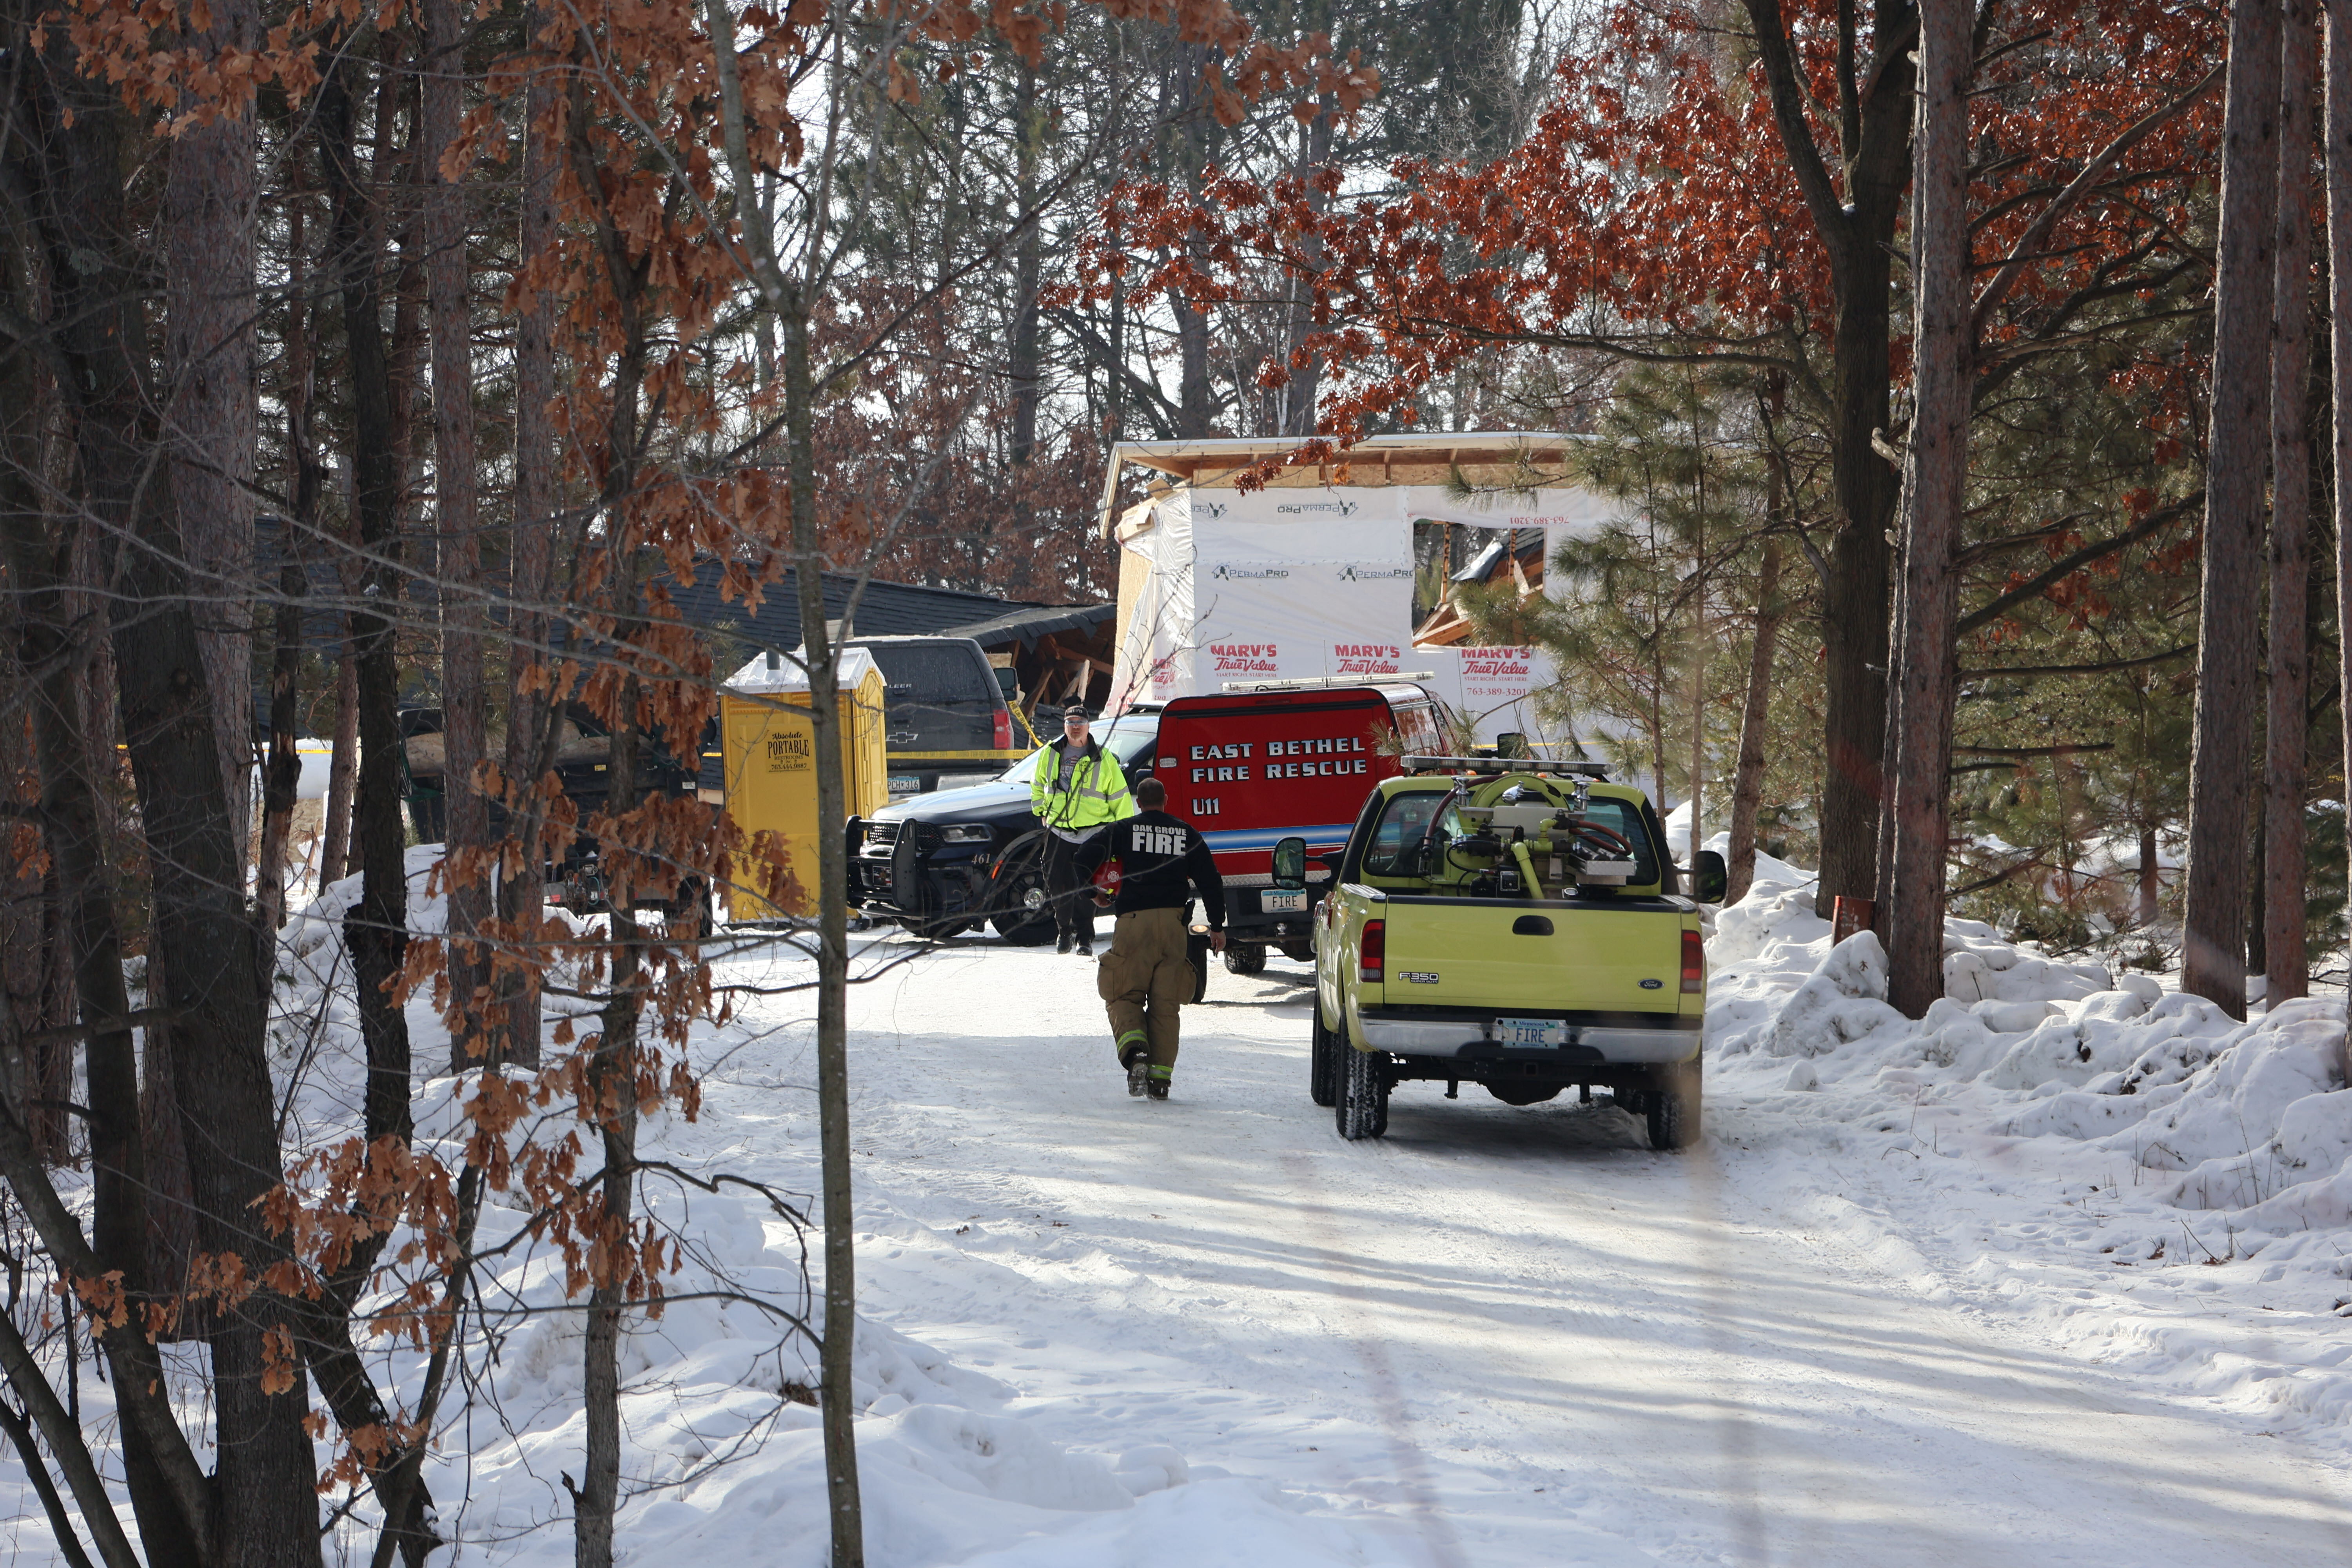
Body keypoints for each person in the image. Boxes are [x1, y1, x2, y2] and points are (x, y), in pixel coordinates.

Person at [1074, 776, 1225, 1100]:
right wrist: (1217, 925)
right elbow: (1211, 881)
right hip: (1173, 928)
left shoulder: (1123, 829)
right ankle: (1160, 1080)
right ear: (1166, 800)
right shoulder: (1186, 833)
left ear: (1139, 803)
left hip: (1133, 924)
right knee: (1166, 1005)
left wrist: (1094, 895)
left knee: (1123, 994)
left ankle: (1136, 1052)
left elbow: (1081, 860)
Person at [1028, 704, 1134, 956]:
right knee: (1057, 884)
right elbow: (1037, 785)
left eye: (1080, 722)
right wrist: (1041, 812)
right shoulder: (1050, 754)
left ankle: (1085, 938)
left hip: (1093, 833)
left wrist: (1122, 834)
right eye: (1071, 722)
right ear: (1065, 726)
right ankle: (1064, 931)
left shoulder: (1104, 758)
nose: (1075, 727)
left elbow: (1120, 798)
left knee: (1088, 885)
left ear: (1088, 726)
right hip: (1059, 831)